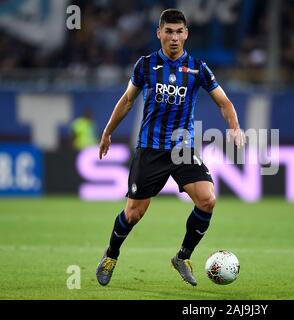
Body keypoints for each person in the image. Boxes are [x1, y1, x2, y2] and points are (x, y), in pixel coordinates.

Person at [96, 9, 246, 287]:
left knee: (207, 200)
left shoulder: (199, 68)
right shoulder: (146, 65)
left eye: (179, 32)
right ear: (159, 33)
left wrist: (235, 128)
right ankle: (111, 254)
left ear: (186, 34)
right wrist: (107, 132)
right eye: (169, 31)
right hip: (150, 149)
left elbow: (224, 103)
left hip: (182, 148)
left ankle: (183, 257)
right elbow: (127, 101)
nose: (174, 38)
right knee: (134, 214)